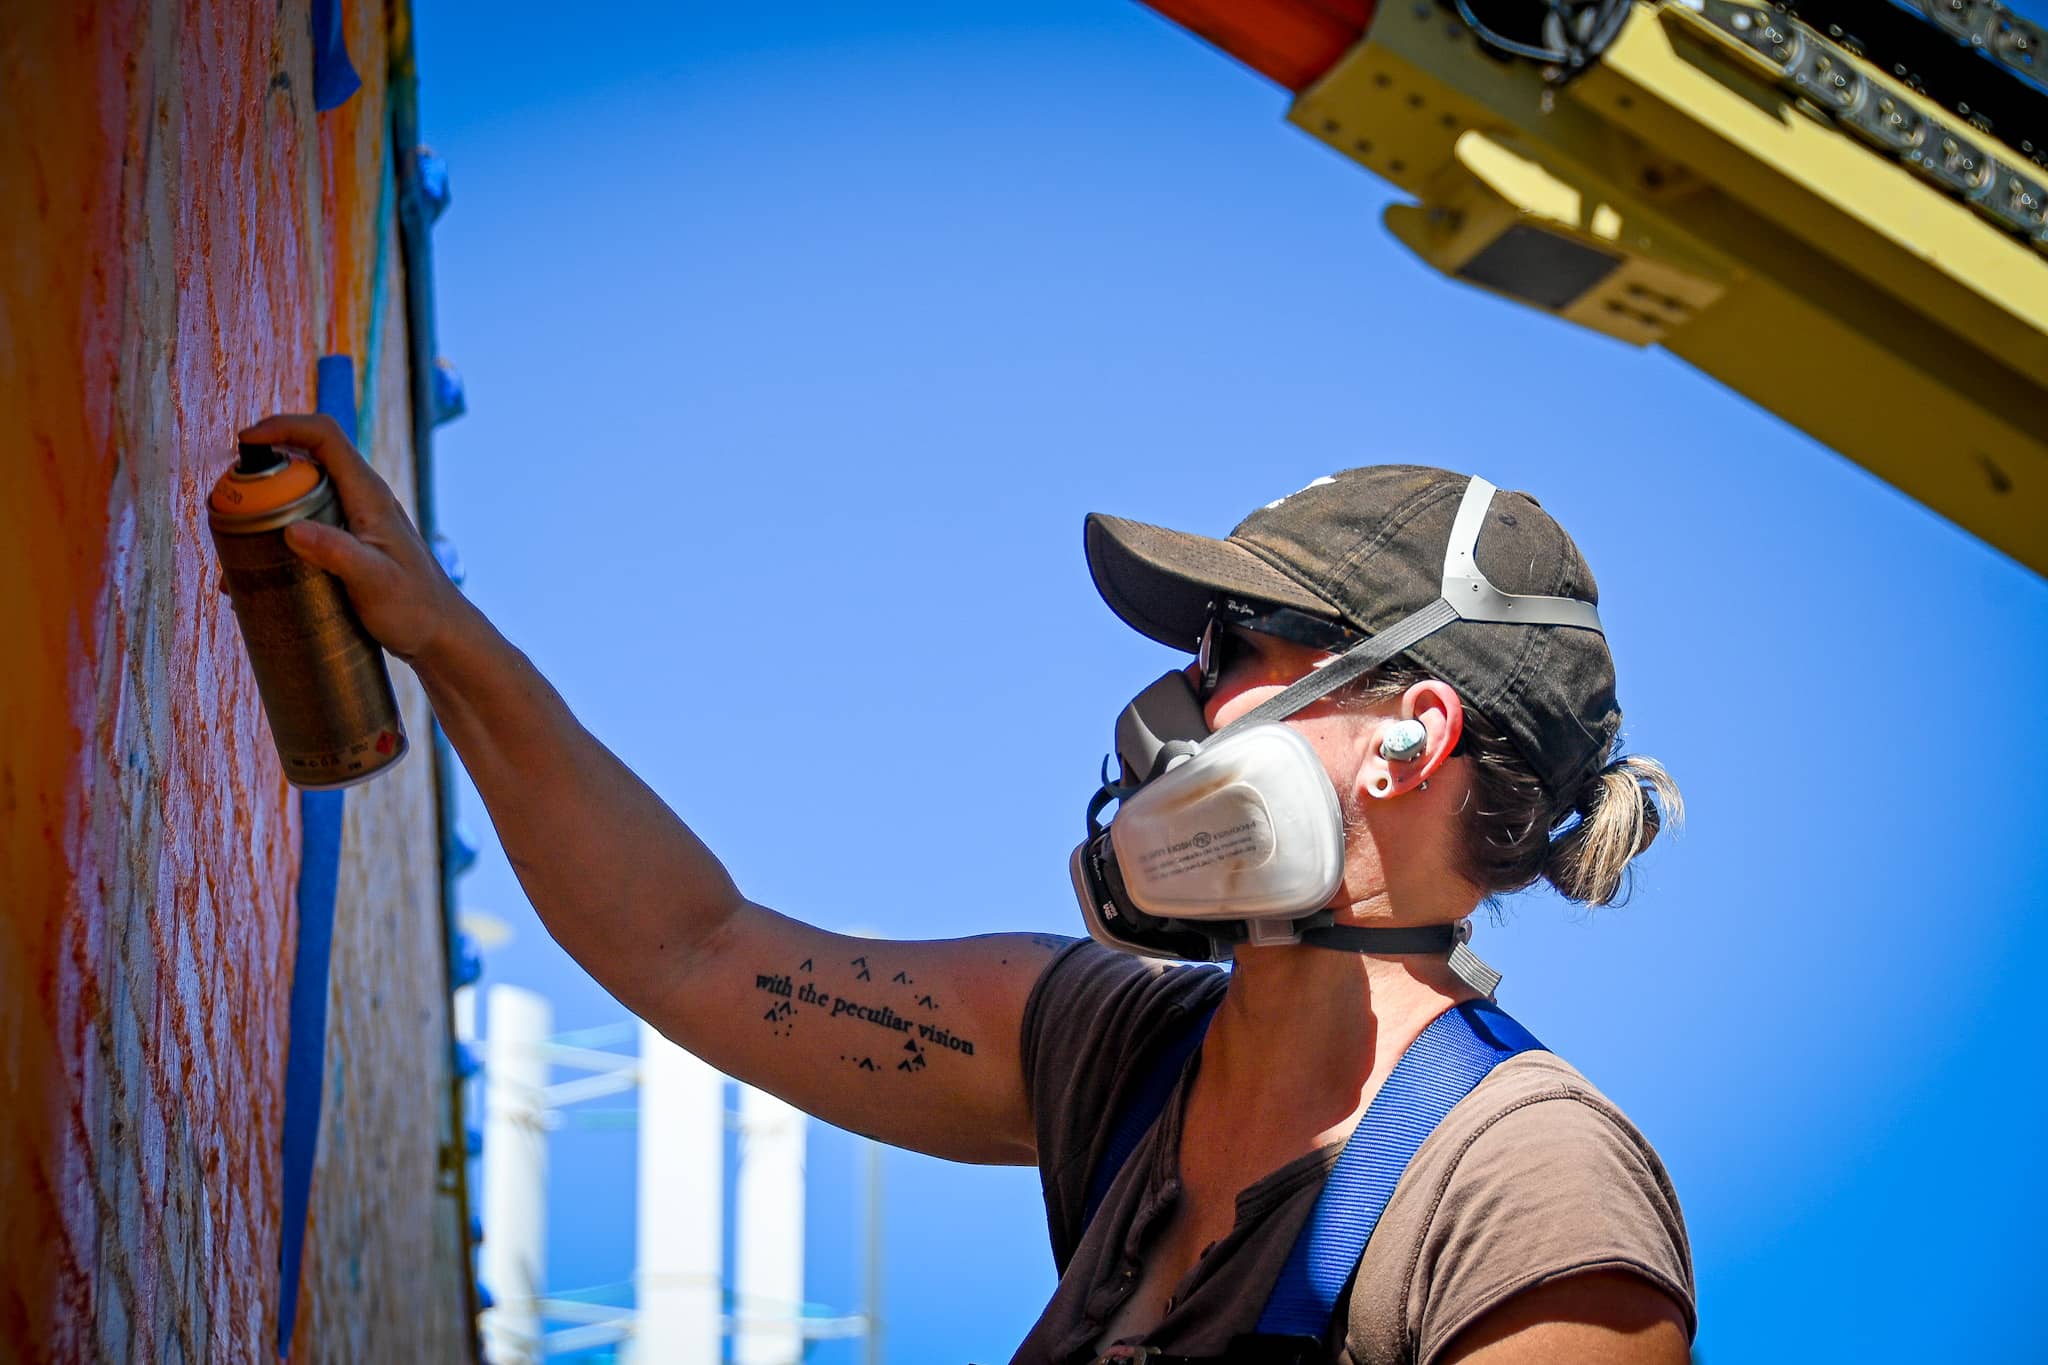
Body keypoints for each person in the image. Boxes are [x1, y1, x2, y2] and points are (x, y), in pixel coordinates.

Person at [238, 414, 1695, 1364]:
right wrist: (443, 636)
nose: (1180, 707)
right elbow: (691, 943)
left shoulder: (1522, 1192)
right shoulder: (1115, 1051)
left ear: (1410, 736)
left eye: (1236, 648)